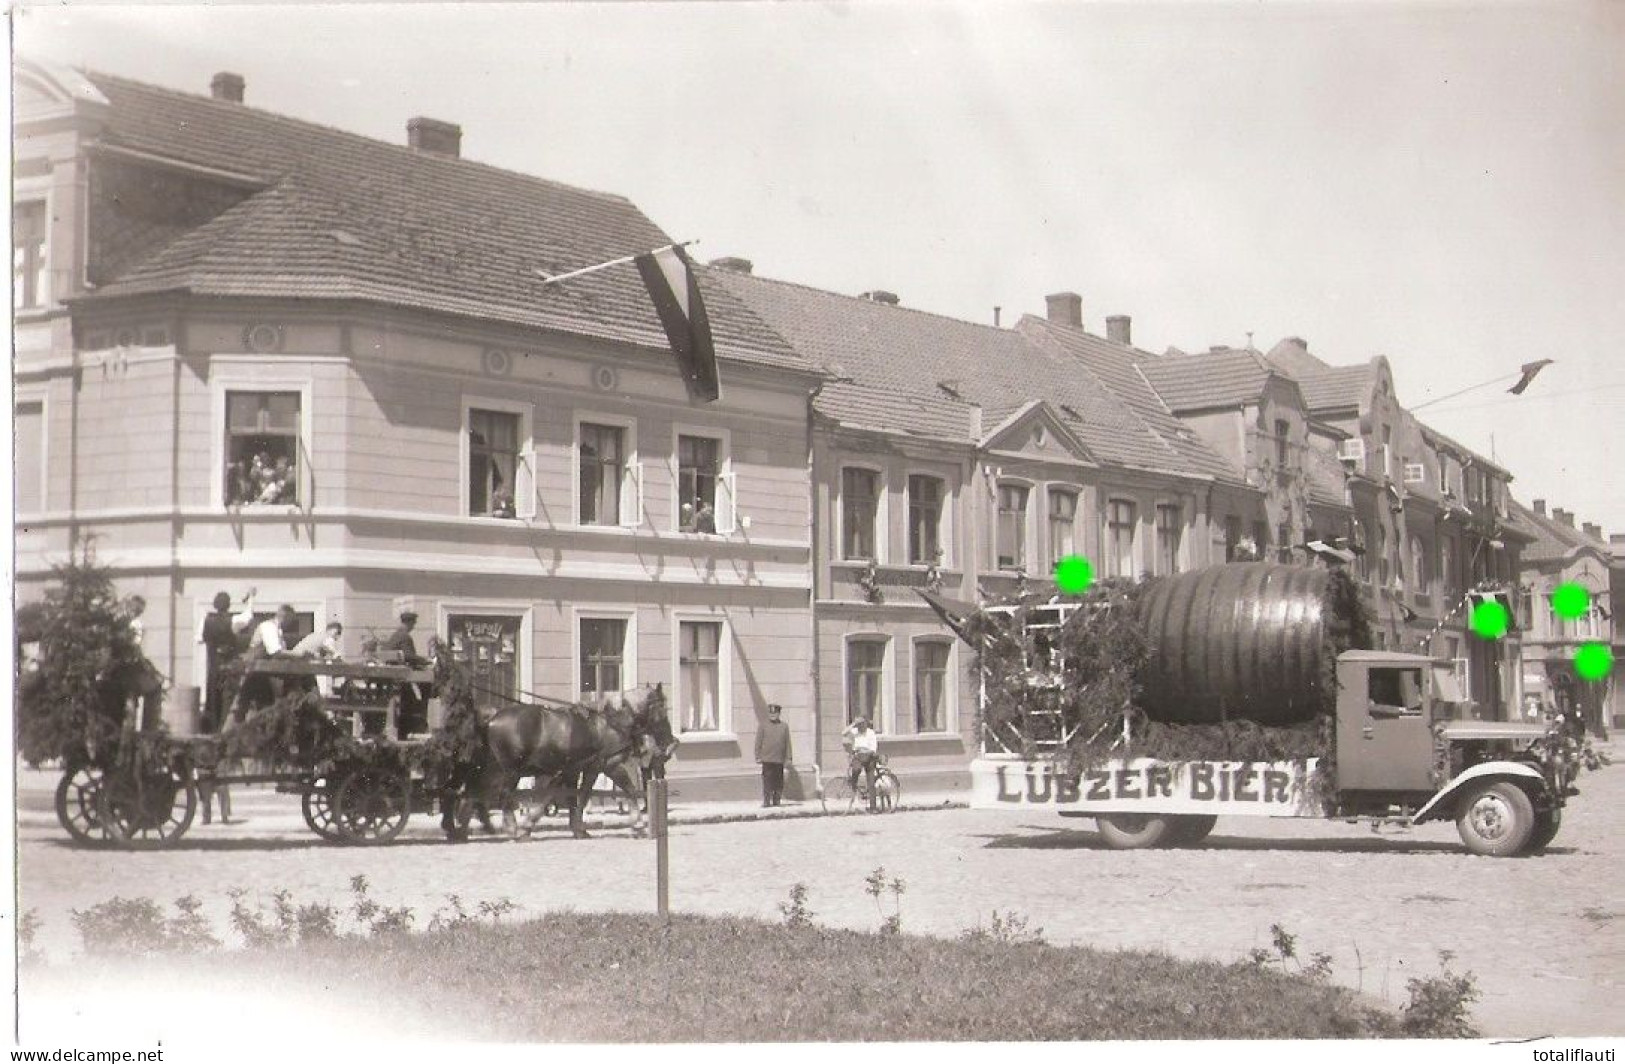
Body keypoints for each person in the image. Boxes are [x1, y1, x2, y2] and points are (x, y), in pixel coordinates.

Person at [197, 590, 255, 733]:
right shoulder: (232, 620)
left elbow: (199, 639)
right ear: (228, 605)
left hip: (213, 666)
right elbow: (248, 617)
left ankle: (212, 729)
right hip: (228, 665)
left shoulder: (206, 620)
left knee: (213, 697)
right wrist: (251, 599)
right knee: (228, 697)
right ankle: (225, 730)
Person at [385, 610, 429, 737]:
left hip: (395, 673)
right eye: (413, 624)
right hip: (400, 676)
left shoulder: (396, 635)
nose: (413, 627)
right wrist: (425, 660)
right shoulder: (405, 636)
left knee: (411, 695)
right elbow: (409, 656)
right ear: (409, 623)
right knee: (419, 693)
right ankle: (413, 726)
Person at [754, 703, 793, 807]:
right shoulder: (763, 725)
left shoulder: (784, 726)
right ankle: (766, 801)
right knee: (767, 780)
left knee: (778, 781)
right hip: (767, 758)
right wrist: (757, 756)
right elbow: (758, 741)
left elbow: (787, 743)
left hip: (779, 759)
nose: (772, 715)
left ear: (779, 714)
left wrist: (788, 757)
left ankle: (777, 800)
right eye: (771, 713)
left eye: (775, 713)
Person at [294, 621, 344, 697]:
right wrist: (342, 663)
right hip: (302, 665)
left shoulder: (315, 635)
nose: (338, 637)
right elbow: (334, 653)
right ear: (332, 630)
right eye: (338, 633)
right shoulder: (328, 638)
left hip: (295, 662)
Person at [842, 717, 881, 812]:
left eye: (862, 724)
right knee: (856, 770)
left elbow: (873, 749)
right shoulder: (855, 732)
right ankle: (854, 788)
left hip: (869, 756)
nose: (860, 727)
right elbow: (843, 733)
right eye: (858, 725)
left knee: (871, 782)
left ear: (865, 724)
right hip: (858, 756)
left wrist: (864, 751)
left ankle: (873, 807)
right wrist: (853, 724)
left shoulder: (870, 733)